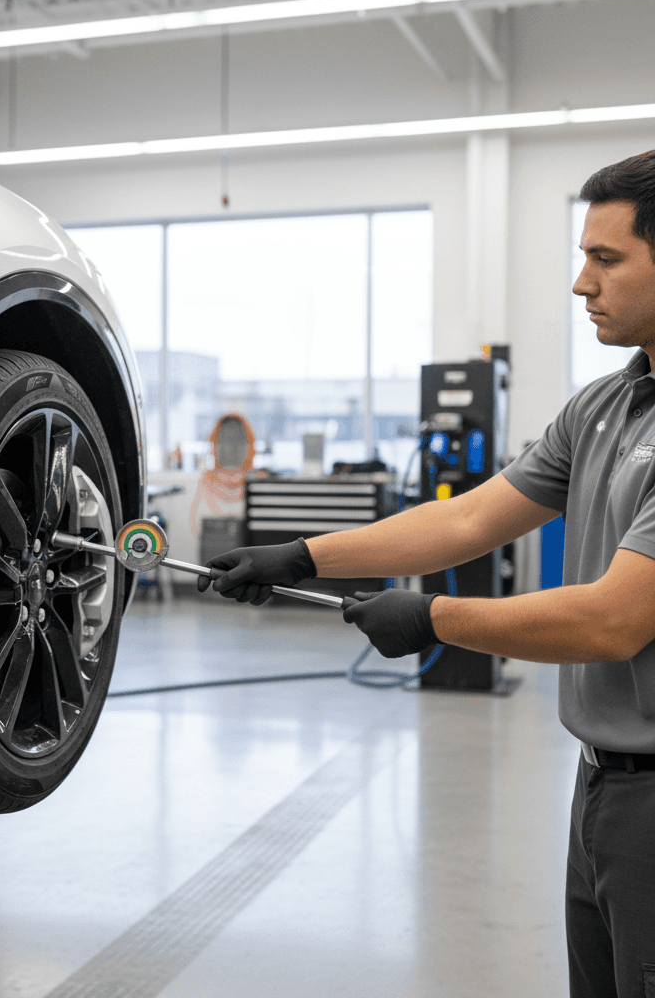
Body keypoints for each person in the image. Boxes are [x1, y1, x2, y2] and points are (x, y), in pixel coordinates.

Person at [198, 149, 655, 998]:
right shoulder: (603, 406)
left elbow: (612, 621)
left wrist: (438, 621)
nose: (580, 284)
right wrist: (306, 557)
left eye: (606, 259)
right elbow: (468, 517)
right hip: (597, 787)